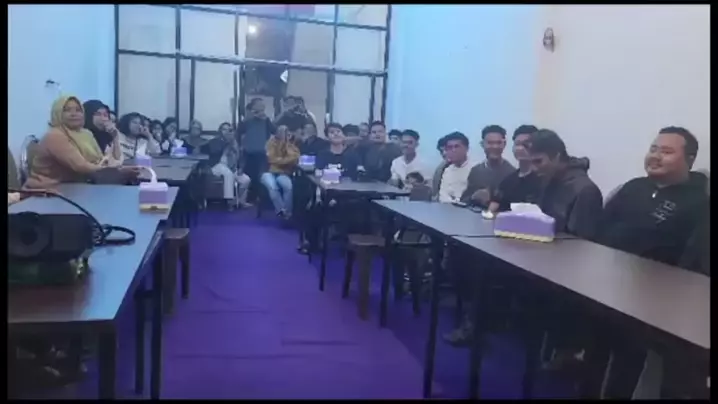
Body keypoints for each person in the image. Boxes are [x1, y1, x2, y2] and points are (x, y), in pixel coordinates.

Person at [596, 127, 709, 399]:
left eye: (667, 152)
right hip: (607, 287)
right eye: (653, 149)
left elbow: (692, 261)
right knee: (599, 356)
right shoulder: (633, 187)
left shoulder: (699, 203)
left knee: (633, 366)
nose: (655, 156)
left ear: (689, 159)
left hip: (657, 305)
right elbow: (601, 230)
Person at [24, 96, 139, 190]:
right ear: (57, 113)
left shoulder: (86, 134)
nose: (74, 114)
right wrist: (118, 172)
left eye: (78, 110)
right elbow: (81, 166)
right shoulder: (54, 136)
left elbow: (101, 160)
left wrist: (117, 170)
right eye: (67, 110)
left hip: (76, 188)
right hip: (47, 191)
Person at [528, 129, 603, 239]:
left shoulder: (585, 191)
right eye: (531, 162)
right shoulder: (547, 179)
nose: (533, 169)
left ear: (557, 156)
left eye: (538, 161)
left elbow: (582, 243)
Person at [487, 125, 541, 213]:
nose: (520, 148)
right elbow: (493, 207)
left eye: (525, 144)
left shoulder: (543, 179)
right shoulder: (508, 181)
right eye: (517, 144)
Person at [462, 125, 515, 207]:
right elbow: (464, 201)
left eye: (498, 143)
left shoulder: (512, 173)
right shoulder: (476, 171)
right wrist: (474, 197)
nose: (495, 147)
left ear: (504, 144)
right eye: (490, 143)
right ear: (482, 144)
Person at [204, 122, 252, 209]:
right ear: (220, 131)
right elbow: (215, 151)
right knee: (228, 174)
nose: (226, 132)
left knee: (246, 180)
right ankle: (229, 201)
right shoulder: (215, 141)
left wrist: (241, 167)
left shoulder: (235, 142)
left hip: (232, 167)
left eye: (229, 130)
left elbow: (241, 157)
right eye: (224, 129)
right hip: (217, 166)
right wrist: (227, 142)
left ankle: (241, 201)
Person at [261, 118, 300, 219]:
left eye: (286, 132)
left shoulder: (291, 145)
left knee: (288, 187)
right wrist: (284, 160)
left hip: (283, 173)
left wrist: (286, 144)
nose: (284, 134)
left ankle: (287, 213)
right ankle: (282, 211)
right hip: (268, 172)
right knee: (273, 187)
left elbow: (295, 158)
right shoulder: (270, 143)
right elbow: (271, 159)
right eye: (282, 132)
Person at [238, 98, 276, 202]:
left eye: (263, 105)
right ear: (253, 106)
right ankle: (250, 199)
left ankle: (263, 200)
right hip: (248, 153)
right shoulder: (247, 120)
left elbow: (275, 131)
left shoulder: (266, 120)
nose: (262, 107)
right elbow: (239, 132)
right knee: (250, 177)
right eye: (260, 104)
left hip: (262, 154)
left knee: (262, 177)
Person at [437, 132, 473, 203]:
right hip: (448, 207)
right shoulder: (447, 170)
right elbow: (443, 196)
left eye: (457, 147)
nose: (453, 150)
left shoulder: (476, 168)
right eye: (450, 147)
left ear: (466, 148)